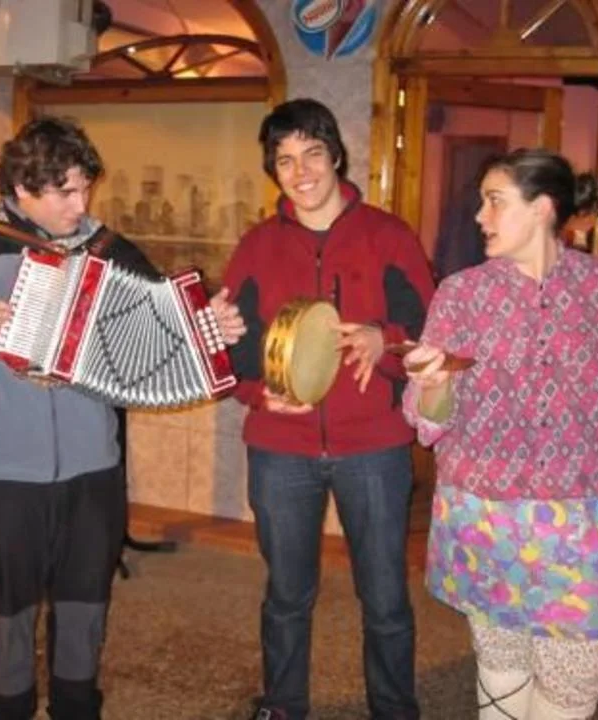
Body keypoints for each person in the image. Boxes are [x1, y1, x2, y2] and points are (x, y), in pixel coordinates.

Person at [0, 115, 244, 720]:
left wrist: (208, 329)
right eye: (64, 192)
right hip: (3, 469)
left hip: (95, 468)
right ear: (22, 188)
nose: (82, 204)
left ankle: (77, 707)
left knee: (85, 604)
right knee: (6, 609)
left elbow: (160, 331)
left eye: (85, 188)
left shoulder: (110, 250)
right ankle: (5, 710)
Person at [402, 148, 598, 720]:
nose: (479, 216)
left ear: (542, 207)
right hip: (482, 517)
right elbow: (428, 423)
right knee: (500, 658)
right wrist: (433, 385)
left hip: (578, 524)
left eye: (495, 201)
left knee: (573, 675)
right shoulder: (462, 293)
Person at [221, 98, 434, 720]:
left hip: (373, 446)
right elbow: (231, 345)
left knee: (385, 596)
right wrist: (257, 392)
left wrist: (384, 340)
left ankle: (394, 710)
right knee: (286, 595)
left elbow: (430, 333)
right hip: (280, 448)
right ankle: (283, 705)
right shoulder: (258, 245)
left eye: (312, 153)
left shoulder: (388, 236)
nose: (301, 172)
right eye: (285, 160)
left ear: (336, 155)